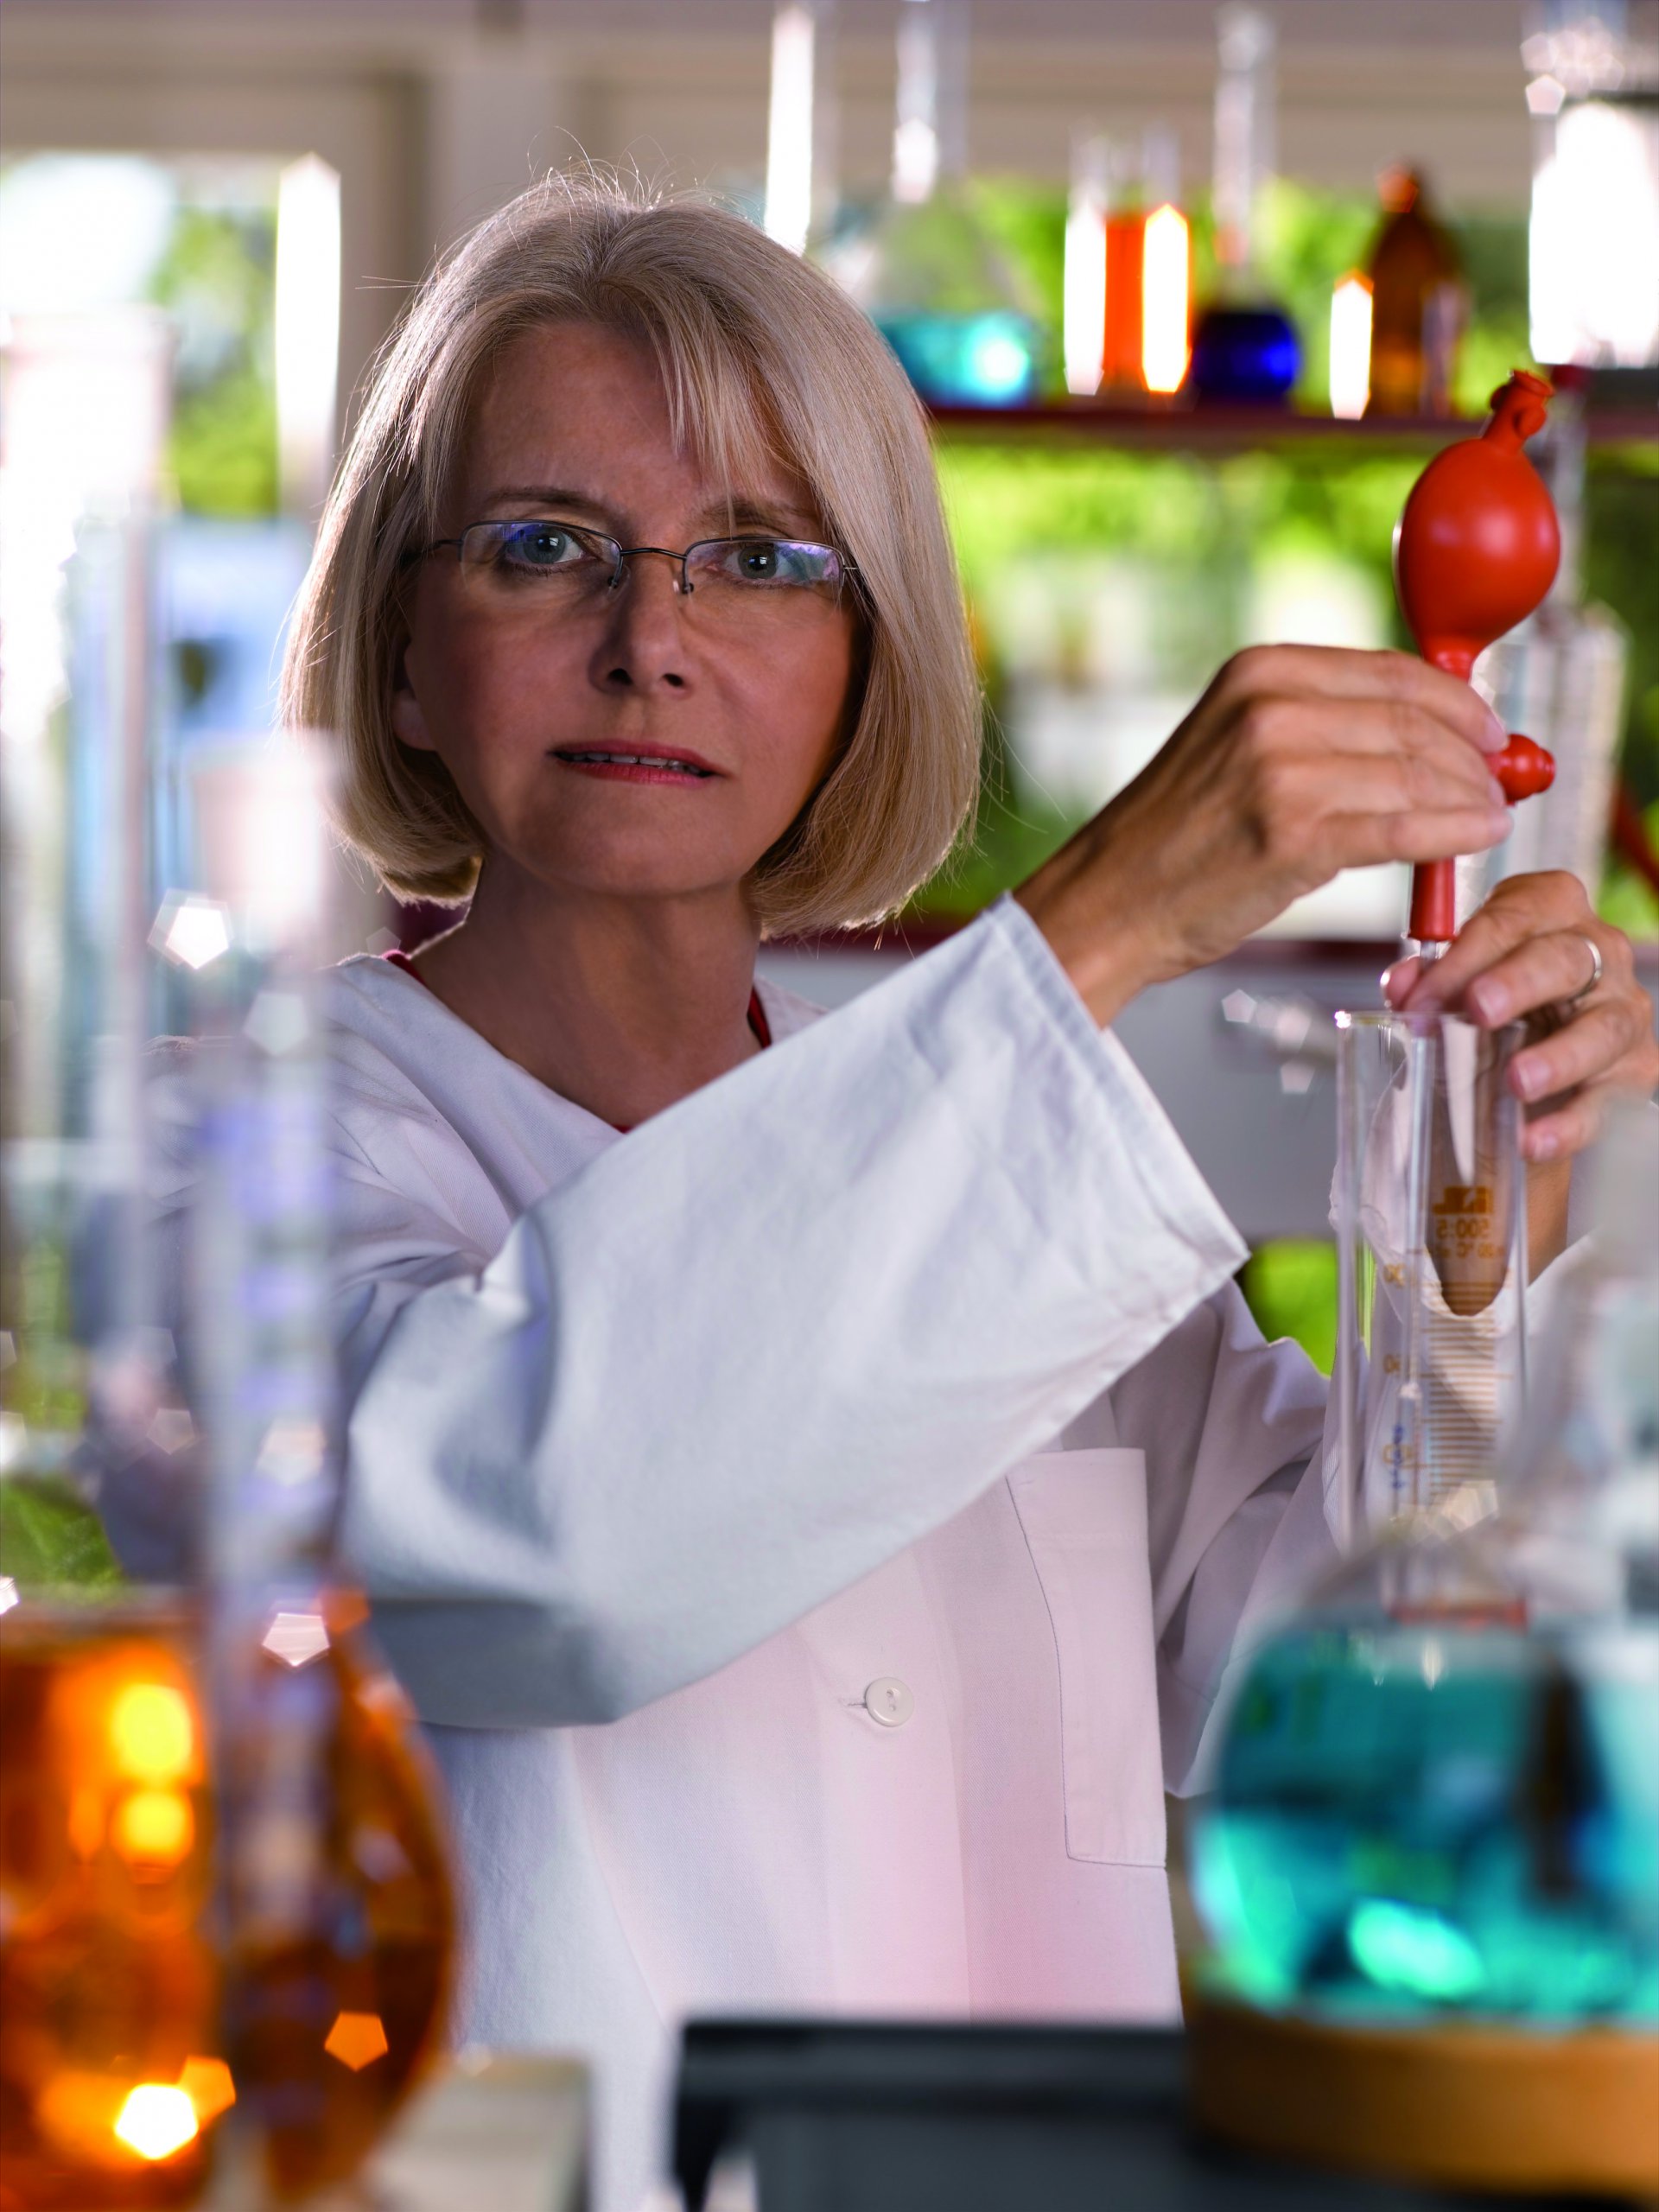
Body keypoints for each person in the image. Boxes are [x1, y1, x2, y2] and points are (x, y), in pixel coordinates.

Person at [263, 177, 1656, 2210]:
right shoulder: (252, 1157)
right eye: (546, 545)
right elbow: (540, 1532)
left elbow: (1387, 1685)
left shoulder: (1024, 1196)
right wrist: (1103, 918)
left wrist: (1488, 1183)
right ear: (402, 649)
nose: (649, 640)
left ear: (862, 662)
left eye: (756, 557)